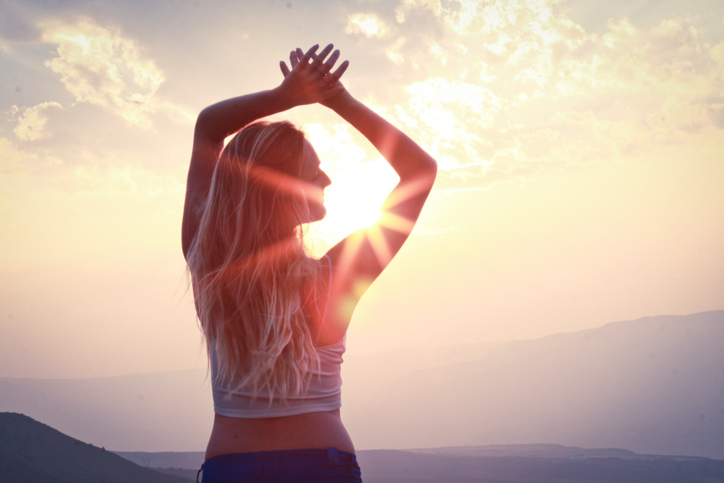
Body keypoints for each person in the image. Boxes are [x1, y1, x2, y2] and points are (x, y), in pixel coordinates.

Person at [183, 44, 437, 483]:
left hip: (232, 467)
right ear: (281, 189)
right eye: (312, 171)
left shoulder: (207, 263)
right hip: (319, 466)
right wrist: (338, 99)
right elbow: (419, 172)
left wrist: (287, 96)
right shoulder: (335, 276)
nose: (328, 178)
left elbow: (208, 129)